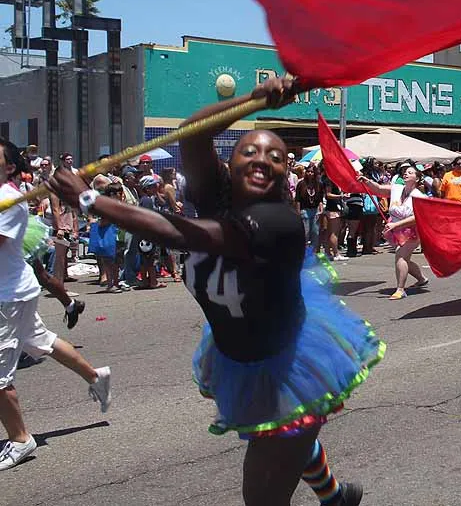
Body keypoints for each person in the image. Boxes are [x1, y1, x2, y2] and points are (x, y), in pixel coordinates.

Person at [48, 78, 381, 505]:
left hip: (286, 364)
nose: (262, 159)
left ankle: (321, 481)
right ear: (230, 164)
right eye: (250, 151)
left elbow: (182, 234)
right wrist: (252, 101)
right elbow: (193, 134)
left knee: (264, 489)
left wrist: (90, 200)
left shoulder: (279, 223)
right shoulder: (214, 197)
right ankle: (335, 497)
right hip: (237, 354)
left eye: (275, 156)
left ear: (286, 173)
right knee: (283, 440)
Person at [0, 139, 110, 471]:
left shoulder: (9, 200)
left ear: (9, 166)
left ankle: (20, 439)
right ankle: (96, 376)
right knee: (42, 341)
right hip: (15, 291)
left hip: (8, 296)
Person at [357, 163, 429, 299]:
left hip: (412, 230)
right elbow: (379, 189)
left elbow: (417, 218)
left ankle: (400, 289)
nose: (406, 173)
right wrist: (367, 181)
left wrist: (397, 225)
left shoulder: (420, 197)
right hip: (395, 229)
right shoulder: (397, 188)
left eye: (410, 172)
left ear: (417, 178)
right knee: (405, 258)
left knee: (400, 256)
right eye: (405, 172)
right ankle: (421, 278)